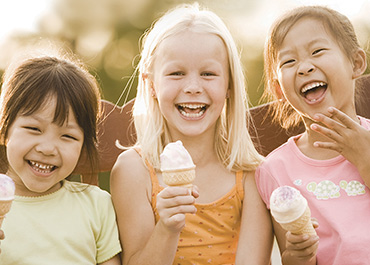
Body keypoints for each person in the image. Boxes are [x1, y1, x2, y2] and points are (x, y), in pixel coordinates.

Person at [110, 3, 273, 265]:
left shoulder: (252, 174)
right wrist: (167, 228)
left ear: (229, 85)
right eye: (176, 73)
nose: (193, 87)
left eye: (208, 74)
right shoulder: (134, 170)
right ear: (151, 84)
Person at [256, 5, 370, 265]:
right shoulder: (276, 170)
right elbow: (292, 256)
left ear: (356, 63)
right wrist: (297, 257)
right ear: (278, 90)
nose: (304, 67)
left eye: (317, 51)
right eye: (289, 61)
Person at [0, 55, 122, 264]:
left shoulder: (96, 206)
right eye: (33, 129)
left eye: (68, 136)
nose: (47, 149)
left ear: (83, 146)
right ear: (4, 130)